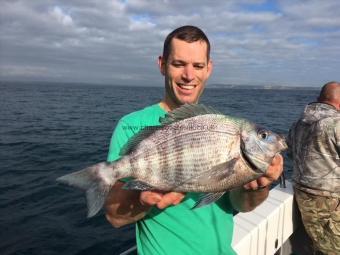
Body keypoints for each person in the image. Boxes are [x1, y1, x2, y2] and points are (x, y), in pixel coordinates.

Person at [104, 25, 284, 255]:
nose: (189, 75)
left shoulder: (221, 126)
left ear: (209, 68)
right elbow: (114, 216)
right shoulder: (131, 125)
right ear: (162, 64)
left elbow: (242, 205)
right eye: (178, 64)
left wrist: (258, 185)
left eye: (198, 66)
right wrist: (144, 199)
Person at [288, 81, 340, 255]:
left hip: (303, 198)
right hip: (330, 203)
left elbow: (291, 153)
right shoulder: (336, 124)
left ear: (319, 99)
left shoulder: (298, 124)